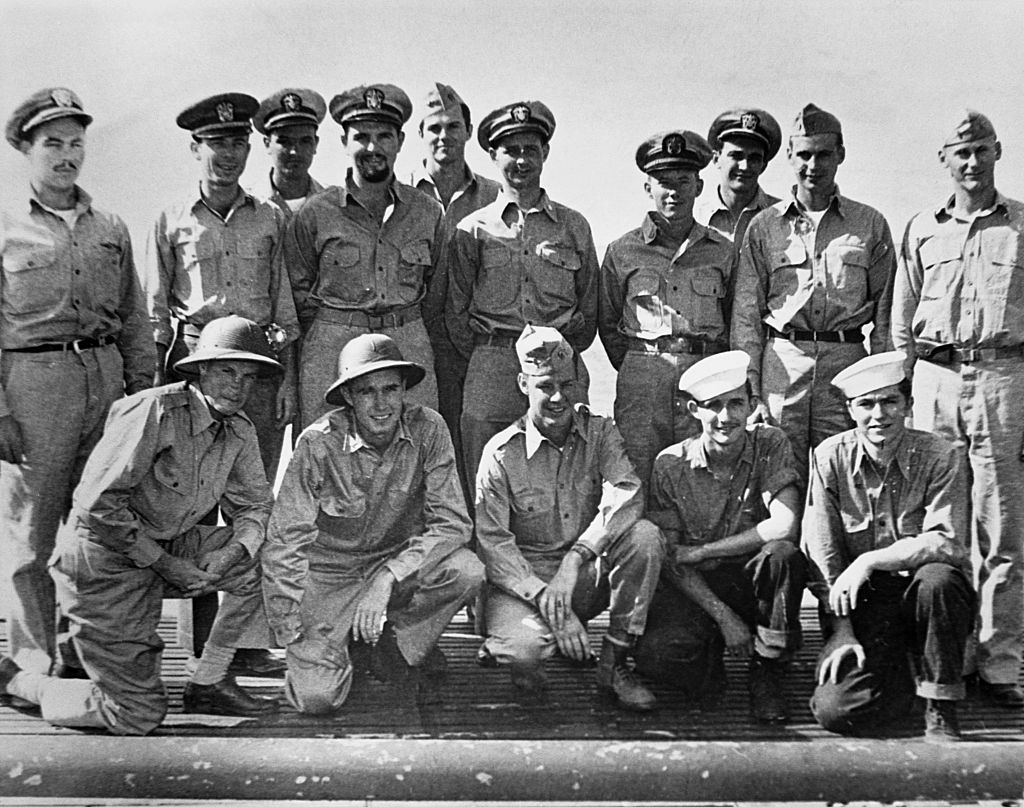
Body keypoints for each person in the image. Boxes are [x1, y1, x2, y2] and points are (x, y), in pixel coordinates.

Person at [0, 316, 284, 734]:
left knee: (272, 557)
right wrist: (168, 566)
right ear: (201, 368)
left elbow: (258, 507)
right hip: (105, 562)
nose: (237, 386)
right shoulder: (153, 410)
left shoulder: (239, 430)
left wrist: (230, 554)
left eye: (248, 376)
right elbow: (98, 506)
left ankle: (208, 679)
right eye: (226, 370)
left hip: (165, 549)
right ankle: (21, 680)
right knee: (134, 714)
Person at [0, 88, 154, 677]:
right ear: (26, 149)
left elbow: (134, 317)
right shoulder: (9, 227)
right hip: (33, 384)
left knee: (97, 526)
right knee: (31, 534)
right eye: (53, 144)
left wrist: (139, 393)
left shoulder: (108, 225)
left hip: (106, 381)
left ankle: (86, 651)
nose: (67, 156)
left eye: (76, 143)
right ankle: (32, 666)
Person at [144, 92, 298, 679]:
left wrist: (280, 376)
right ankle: (198, 648)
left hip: (254, 373)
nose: (228, 155)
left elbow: (283, 303)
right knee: (193, 508)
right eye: (216, 143)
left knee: (249, 506)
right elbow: (159, 309)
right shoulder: (171, 218)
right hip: (197, 372)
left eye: (237, 143)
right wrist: (153, 383)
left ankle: (242, 643)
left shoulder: (269, 217)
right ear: (195, 147)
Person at [261, 333, 484, 714]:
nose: (381, 404)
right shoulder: (317, 443)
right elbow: (285, 538)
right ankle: (350, 643)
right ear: (348, 396)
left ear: (403, 390)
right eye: (366, 392)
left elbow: (452, 524)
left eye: (390, 389)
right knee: (317, 699)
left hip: (396, 564)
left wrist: (387, 578)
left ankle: (397, 647)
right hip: (330, 575)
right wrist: (289, 622)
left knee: (466, 569)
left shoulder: (430, 428)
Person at [892, 110, 1024, 708]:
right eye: (959, 153)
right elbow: (901, 320)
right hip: (935, 378)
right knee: (936, 522)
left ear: (998, 152)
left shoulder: (1021, 227)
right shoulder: (922, 228)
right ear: (943, 160)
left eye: (981, 151)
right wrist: (903, 386)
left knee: (1001, 526)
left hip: (1003, 377)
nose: (971, 163)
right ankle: (945, 653)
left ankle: (999, 662)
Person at [475, 326, 664, 711]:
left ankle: (613, 663)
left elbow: (627, 492)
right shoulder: (500, 454)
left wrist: (576, 557)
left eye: (567, 383)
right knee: (524, 653)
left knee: (645, 537)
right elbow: (494, 545)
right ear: (523, 384)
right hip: (524, 586)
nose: (559, 396)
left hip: (581, 575)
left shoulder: (600, 431)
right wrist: (549, 602)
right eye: (545, 386)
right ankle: (527, 652)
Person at [804, 351, 974, 742]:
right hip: (865, 603)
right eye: (866, 404)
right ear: (850, 410)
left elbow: (946, 540)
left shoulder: (940, 455)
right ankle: (904, 674)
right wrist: (840, 631)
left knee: (939, 580)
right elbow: (822, 551)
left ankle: (940, 703)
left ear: (908, 405)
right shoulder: (830, 456)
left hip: (925, 600)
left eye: (890, 401)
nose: (879, 415)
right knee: (837, 711)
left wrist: (870, 559)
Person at [635, 350, 806, 723]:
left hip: (752, 581)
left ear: (751, 405)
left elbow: (784, 525)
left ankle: (767, 670)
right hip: (700, 589)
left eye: (735, 404)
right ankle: (714, 655)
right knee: (656, 656)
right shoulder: (669, 464)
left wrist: (703, 551)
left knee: (783, 556)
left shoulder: (771, 444)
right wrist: (724, 617)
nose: (725, 418)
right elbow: (672, 558)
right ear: (693, 410)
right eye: (713, 406)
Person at [731, 103, 897, 487]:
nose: (813, 165)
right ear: (789, 157)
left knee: (846, 471)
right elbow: (746, 314)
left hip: (846, 363)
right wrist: (752, 387)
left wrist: (880, 382)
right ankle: (783, 547)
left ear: (840, 155)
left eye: (823, 154)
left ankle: (834, 548)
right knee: (778, 473)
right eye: (804, 154)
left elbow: (887, 312)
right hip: (782, 363)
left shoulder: (869, 223)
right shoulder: (765, 225)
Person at [446, 101, 599, 488]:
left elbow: (591, 307)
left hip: (559, 367)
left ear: (545, 152)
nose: (521, 160)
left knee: (564, 472)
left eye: (530, 149)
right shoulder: (472, 229)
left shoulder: (573, 226)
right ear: (493, 156)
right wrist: (489, 350)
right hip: (493, 366)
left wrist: (559, 351)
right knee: (485, 473)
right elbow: (455, 311)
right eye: (511, 150)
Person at [286, 83, 444, 428]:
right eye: (361, 137)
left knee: (415, 445)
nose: (373, 147)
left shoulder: (427, 212)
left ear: (400, 141)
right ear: (344, 142)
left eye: (384, 136)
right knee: (326, 449)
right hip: (332, 345)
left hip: (406, 344)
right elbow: (297, 299)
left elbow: (439, 296)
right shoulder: (315, 214)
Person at [599, 129, 734, 488]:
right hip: (643, 378)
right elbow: (608, 320)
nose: (673, 191)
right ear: (648, 188)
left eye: (683, 181)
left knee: (700, 477)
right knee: (636, 476)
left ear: (699, 186)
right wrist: (639, 362)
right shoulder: (622, 251)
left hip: (702, 378)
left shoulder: (723, 251)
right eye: (663, 182)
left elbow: (735, 317)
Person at [409, 82, 500, 496]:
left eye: (453, 127)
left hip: (472, 349)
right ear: (420, 136)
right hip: (414, 344)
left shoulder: (496, 196)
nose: (444, 136)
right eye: (434, 128)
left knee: (474, 457)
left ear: (467, 132)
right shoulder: (400, 195)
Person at [695, 107, 782, 248]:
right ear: (716, 159)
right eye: (736, 156)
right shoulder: (697, 217)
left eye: (754, 158)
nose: (744, 166)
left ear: (763, 166)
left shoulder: (783, 218)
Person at [251, 87, 327, 218]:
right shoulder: (249, 204)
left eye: (304, 141)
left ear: (316, 144)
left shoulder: (334, 203)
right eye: (285, 142)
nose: (294, 151)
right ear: (267, 144)